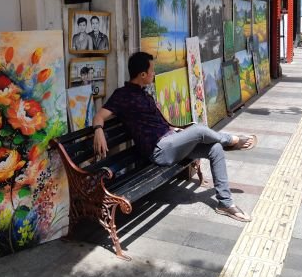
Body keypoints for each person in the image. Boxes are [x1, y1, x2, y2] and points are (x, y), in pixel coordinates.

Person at [93, 51, 257, 222]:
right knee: (200, 130)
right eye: (152, 71)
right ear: (142, 75)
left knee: (215, 149)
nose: (154, 74)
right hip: (160, 150)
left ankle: (225, 203)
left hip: (172, 142)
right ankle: (232, 140)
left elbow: (159, 123)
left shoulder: (144, 94)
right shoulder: (122, 95)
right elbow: (99, 116)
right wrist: (98, 129)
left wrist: (176, 131)